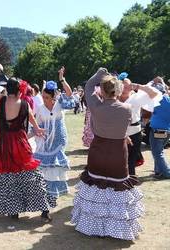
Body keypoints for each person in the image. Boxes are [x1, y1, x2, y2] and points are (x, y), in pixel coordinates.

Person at [71, 68, 143, 240]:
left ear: (101, 90)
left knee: (97, 186)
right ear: (117, 90)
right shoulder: (126, 108)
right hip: (118, 152)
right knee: (117, 188)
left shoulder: (96, 105)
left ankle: (95, 226)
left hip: (98, 150)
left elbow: (88, 87)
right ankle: (116, 229)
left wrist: (97, 75)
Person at [0, 61, 56, 221]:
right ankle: (44, 209)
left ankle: (14, 210)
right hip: (20, 144)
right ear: (20, 91)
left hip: (5, 145)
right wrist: (38, 129)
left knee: (9, 177)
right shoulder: (25, 104)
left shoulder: (0, 101)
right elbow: (34, 123)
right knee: (31, 176)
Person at [33, 67, 74, 197]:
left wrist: (62, 79)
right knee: (45, 167)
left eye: (46, 97)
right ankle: (46, 191)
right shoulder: (40, 109)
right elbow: (36, 125)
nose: (44, 99)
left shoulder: (60, 104)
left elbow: (69, 93)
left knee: (56, 165)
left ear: (53, 97)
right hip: (45, 141)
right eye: (43, 97)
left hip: (59, 140)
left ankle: (54, 192)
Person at [119, 77, 160, 176]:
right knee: (119, 158)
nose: (125, 87)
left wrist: (138, 86)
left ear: (131, 87)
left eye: (127, 85)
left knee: (131, 159)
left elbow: (154, 94)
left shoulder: (136, 97)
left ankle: (130, 179)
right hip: (118, 132)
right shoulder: (114, 97)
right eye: (122, 85)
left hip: (134, 131)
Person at [148, 83, 170, 179]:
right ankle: (158, 172)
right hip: (166, 130)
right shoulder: (168, 99)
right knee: (159, 151)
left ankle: (167, 173)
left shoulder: (157, 100)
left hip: (158, 130)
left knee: (157, 153)